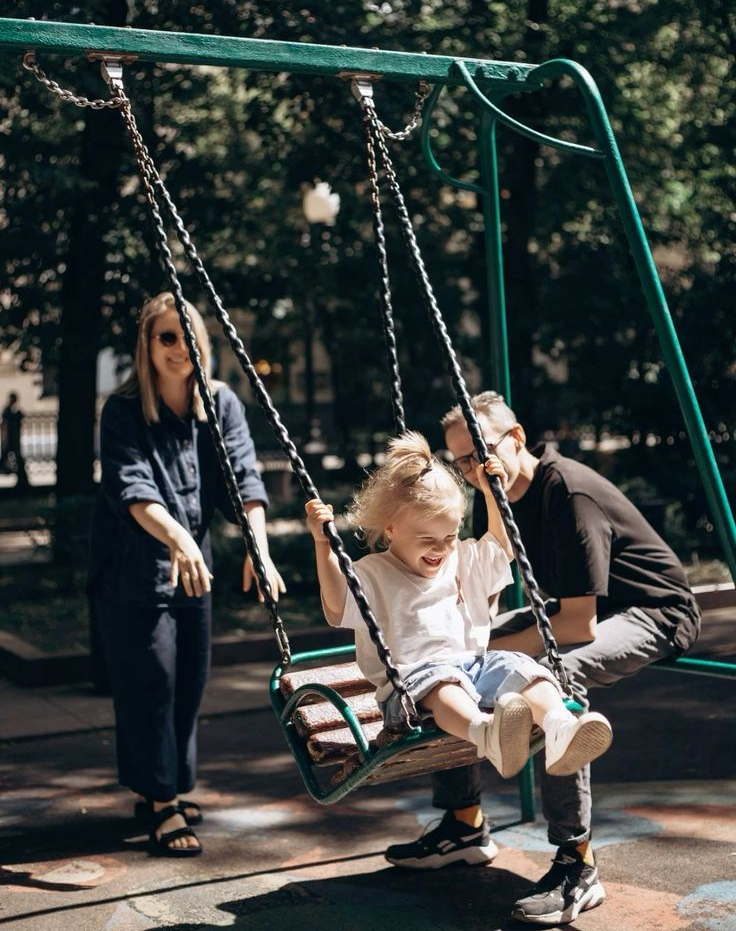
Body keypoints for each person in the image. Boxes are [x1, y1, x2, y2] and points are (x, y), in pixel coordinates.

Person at [385, 392, 701, 926]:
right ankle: (464, 823)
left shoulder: (568, 494)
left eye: (480, 452)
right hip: (579, 608)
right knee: (447, 665)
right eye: (459, 460)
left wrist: (483, 655)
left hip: (651, 611)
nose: (471, 469)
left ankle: (577, 861)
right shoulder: (498, 498)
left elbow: (579, 626)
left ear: (517, 437)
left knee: (556, 672)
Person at [89, 291, 285, 857]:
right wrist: (176, 537)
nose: (180, 348)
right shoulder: (123, 410)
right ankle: (161, 801)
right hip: (134, 569)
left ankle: (166, 785)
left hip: (191, 568)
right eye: (166, 337)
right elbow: (133, 488)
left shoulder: (220, 405)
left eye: (188, 335)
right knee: (150, 682)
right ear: (146, 347)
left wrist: (261, 550)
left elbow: (244, 481)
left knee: (189, 682)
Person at [305, 432, 612, 786]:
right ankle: (487, 734)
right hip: (409, 686)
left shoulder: (461, 558)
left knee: (522, 666)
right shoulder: (373, 574)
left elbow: (500, 546)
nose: (441, 549)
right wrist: (322, 544)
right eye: (427, 540)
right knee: (443, 682)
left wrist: (490, 493)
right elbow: (336, 606)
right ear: (391, 529)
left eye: (449, 537)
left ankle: (560, 728)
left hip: (473, 667)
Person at [1, 392, 29, 490]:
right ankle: (23, 480)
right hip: (11, 439)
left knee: (16, 460)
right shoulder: (8, 411)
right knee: (16, 460)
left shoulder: (8, 410)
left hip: (11, 440)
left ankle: (22, 480)